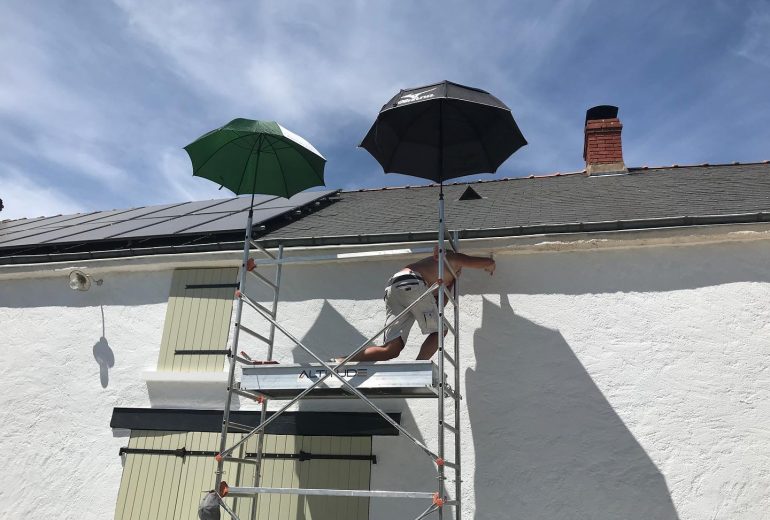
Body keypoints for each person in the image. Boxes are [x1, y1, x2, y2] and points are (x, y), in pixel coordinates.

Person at [340, 245, 495, 362]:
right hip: (412, 282)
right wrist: (490, 263)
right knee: (440, 331)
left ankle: (343, 361)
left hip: (395, 286)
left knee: (391, 350)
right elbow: (477, 262)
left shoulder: (441, 276)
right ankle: (419, 365)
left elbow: (438, 306)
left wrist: (451, 283)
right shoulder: (451, 258)